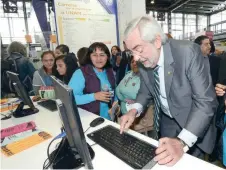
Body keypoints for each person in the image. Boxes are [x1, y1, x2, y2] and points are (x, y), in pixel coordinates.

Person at [119, 16, 218, 166]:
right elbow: (145, 92)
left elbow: (206, 102)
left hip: (193, 124)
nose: (136, 58)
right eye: (131, 52)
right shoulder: (144, 59)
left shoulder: (187, 52)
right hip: (167, 124)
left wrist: (181, 142)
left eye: (138, 49)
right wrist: (133, 111)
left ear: (157, 41)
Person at [69, 42, 116, 120]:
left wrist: (115, 103)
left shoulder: (109, 71)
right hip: (89, 120)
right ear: (89, 57)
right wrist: (94, 96)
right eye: (94, 55)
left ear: (107, 57)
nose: (98, 59)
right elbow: (70, 98)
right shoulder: (80, 73)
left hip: (108, 119)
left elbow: (113, 90)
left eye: (102, 55)